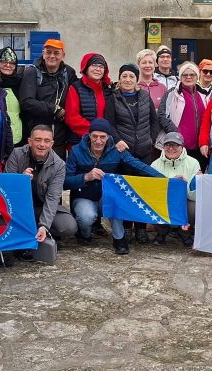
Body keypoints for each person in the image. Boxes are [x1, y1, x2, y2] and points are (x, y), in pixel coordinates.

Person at [65, 118, 163, 254]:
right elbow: (65, 181)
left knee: (116, 203)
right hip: (84, 196)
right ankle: (84, 234)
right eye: (95, 136)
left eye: (102, 137)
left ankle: (119, 238)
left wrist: (164, 178)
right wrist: (86, 176)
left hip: (107, 195)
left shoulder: (116, 150)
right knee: (86, 216)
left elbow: (138, 165)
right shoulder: (76, 151)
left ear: (108, 137)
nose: (98, 141)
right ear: (89, 135)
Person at [107, 62, 166, 244]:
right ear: (119, 79)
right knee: (126, 191)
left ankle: (141, 228)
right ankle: (126, 228)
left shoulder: (145, 96)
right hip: (123, 153)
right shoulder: (113, 98)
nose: (128, 79)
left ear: (136, 79)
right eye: (124, 76)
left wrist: (150, 139)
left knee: (142, 191)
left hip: (144, 151)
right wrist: (117, 140)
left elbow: (154, 121)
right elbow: (109, 123)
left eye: (131, 76)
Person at [5, 124, 79, 249]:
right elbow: (6, 188)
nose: (42, 145)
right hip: (17, 209)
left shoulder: (59, 165)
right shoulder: (16, 154)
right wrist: (20, 181)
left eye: (47, 141)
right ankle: (22, 235)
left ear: (52, 144)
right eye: (38, 140)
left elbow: (53, 198)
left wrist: (44, 225)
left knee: (68, 226)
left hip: (40, 208)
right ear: (30, 141)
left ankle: (39, 232)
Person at [19, 38, 76, 153]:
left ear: (63, 55)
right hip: (36, 134)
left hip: (59, 136)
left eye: (56, 53)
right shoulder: (32, 72)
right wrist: (54, 109)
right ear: (43, 54)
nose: (52, 56)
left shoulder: (68, 72)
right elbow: (26, 102)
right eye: (48, 52)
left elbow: (78, 92)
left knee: (57, 164)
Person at [150, 131, 200, 246]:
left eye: (175, 145)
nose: (171, 148)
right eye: (167, 145)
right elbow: (153, 191)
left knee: (194, 207)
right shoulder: (155, 165)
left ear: (182, 146)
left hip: (185, 199)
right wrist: (172, 184)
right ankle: (161, 232)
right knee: (154, 204)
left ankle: (185, 233)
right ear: (163, 146)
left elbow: (195, 196)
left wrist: (185, 185)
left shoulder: (193, 163)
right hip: (163, 200)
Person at [158, 62, 207, 169]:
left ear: (197, 77)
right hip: (178, 146)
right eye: (185, 75)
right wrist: (176, 135)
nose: (188, 77)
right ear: (180, 77)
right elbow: (162, 115)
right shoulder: (171, 93)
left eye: (192, 74)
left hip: (200, 147)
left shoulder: (204, 94)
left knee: (197, 175)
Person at [63, 52, 111, 147]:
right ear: (86, 68)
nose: (98, 69)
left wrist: (103, 135)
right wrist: (94, 133)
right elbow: (71, 117)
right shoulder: (76, 88)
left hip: (104, 142)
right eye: (94, 65)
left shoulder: (108, 89)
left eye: (101, 66)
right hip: (79, 141)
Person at [0, 46, 24, 147]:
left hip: (17, 139)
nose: (8, 65)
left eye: (12, 63)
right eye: (3, 62)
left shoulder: (21, 84)